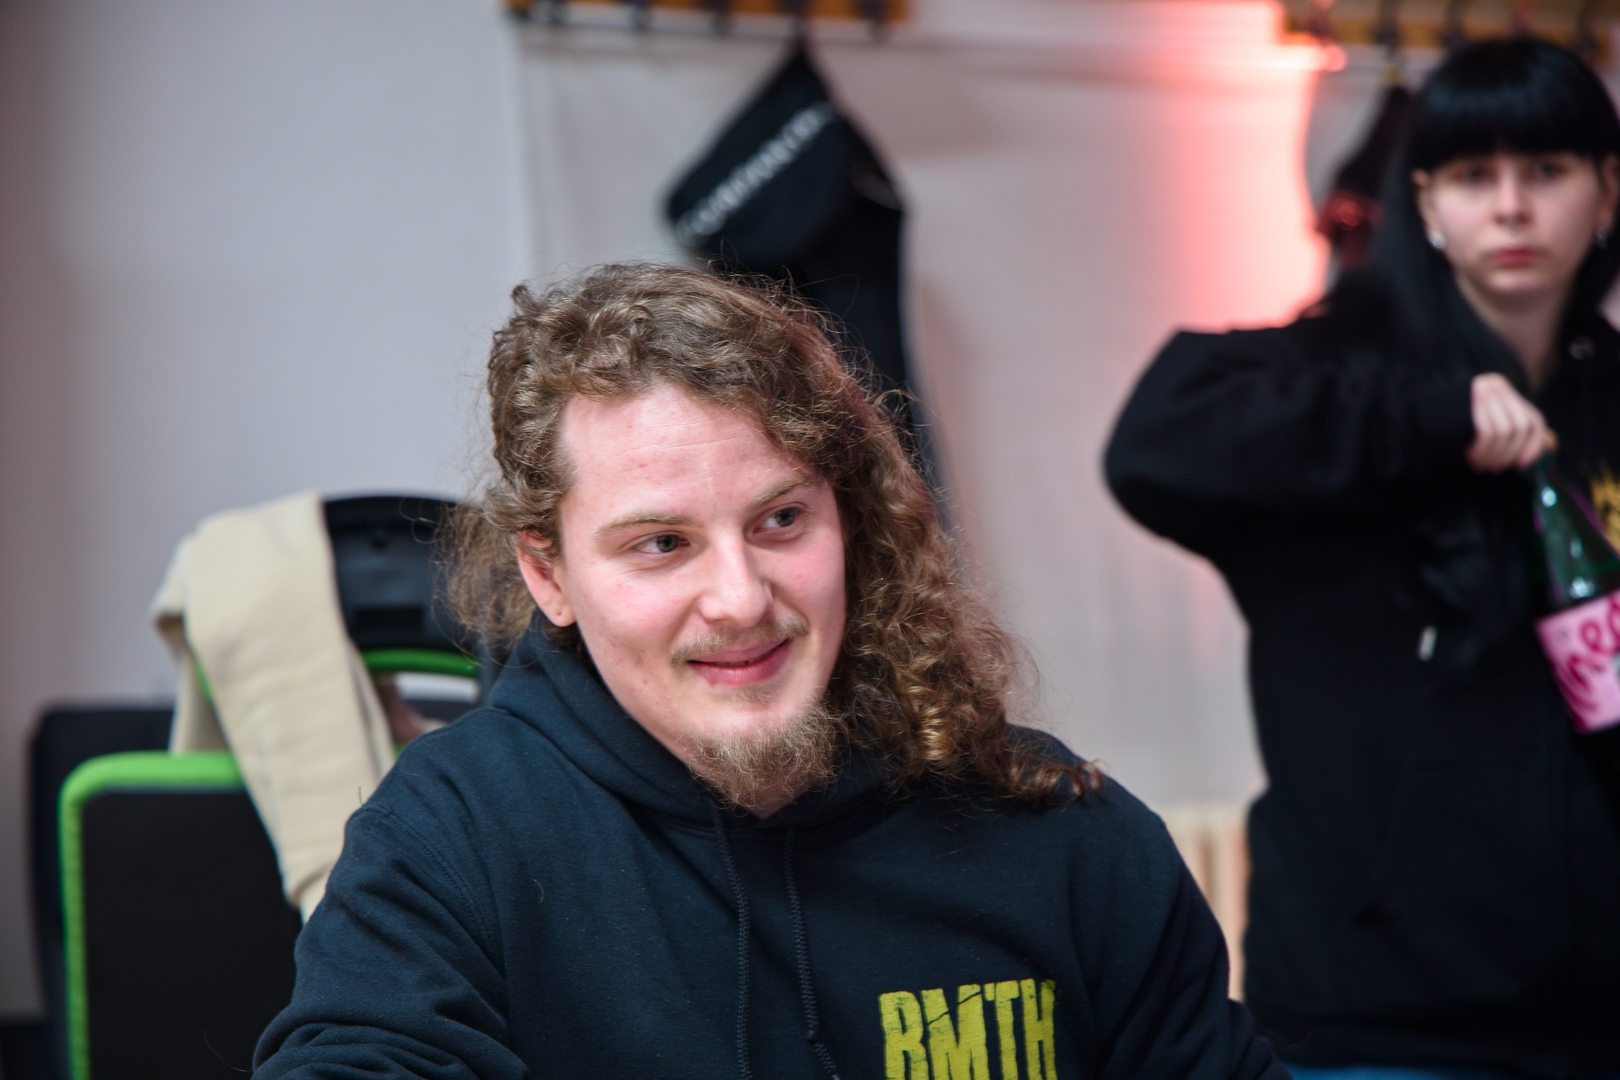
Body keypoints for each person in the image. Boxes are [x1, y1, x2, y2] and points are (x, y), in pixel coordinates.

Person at [253, 264, 1285, 1079]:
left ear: (849, 522)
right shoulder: (454, 837)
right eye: (662, 544)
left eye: (781, 520)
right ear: (549, 575)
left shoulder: (1065, 838)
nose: (741, 598)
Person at [1105, 37, 1620, 1079]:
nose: (1512, 208)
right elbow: (1153, 442)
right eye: (1474, 175)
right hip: (1370, 1028)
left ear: (1606, 191)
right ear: (1424, 202)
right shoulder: (1333, 374)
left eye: (1547, 170)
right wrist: (1429, 421)